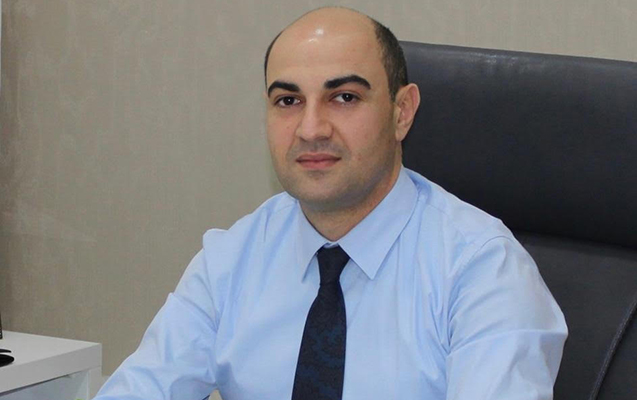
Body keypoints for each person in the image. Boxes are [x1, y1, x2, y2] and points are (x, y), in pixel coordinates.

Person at [94, 7, 567, 400]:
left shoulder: (482, 270)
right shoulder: (231, 260)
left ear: (402, 112)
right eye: (288, 101)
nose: (311, 129)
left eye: (344, 97)